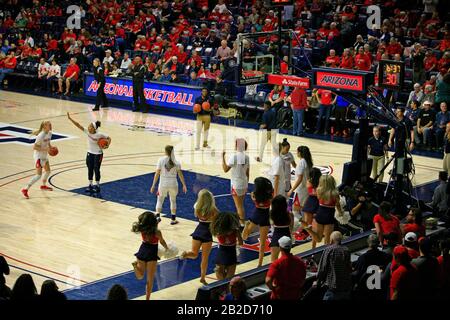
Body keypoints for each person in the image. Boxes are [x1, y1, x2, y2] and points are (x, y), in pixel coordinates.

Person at [181, 189, 218, 285]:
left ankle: (186, 253)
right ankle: (202, 277)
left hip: (198, 230)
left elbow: (198, 216)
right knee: (204, 258)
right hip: (207, 233)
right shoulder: (213, 210)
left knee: (194, 254)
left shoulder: (197, 207)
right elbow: (217, 220)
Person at [67, 113, 111, 193]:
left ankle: (97, 186)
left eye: (90, 126)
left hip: (98, 154)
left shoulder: (99, 134)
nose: (89, 127)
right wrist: (70, 119)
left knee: (96, 169)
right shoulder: (87, 132)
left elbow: (109, 138)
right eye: (89, 125)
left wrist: (107, 145)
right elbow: (78, 125)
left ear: (94, 128)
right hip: (90, 153)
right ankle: (90, 185)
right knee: (90, 168)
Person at [132, 211, 169, 300]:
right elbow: (162, 241)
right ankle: (147, 299)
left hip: (143, 250)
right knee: (150, 280)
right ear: (153, 223)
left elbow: (151, 224)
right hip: (152, 253)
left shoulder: (143, 229)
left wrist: (157, 221)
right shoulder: (157, 232)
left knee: (140, 276)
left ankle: (134, 266)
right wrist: (167, 248)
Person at [303, 175, 343, 248]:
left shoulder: (319, 191)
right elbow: (338, 205)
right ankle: (325, 254)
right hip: (329, 217)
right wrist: (341, 213)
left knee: (318, 238)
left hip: (320, 214)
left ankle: (310, 231)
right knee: (327, 241)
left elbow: (319, 199)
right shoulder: (335, 193)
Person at [150, 145, 187, 225]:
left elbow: (157, 173)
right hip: (173, 183)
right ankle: (173, 219)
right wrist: (184, 184)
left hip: (163, 183)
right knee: (173, 200)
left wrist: (153, 185)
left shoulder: (161, 160)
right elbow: (180, 174)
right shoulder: (177, 161)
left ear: (165, 151)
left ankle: (157, 216)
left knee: (159, 200)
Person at [243, 177, 273, 267]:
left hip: (256, 214)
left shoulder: (254, 194)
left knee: (245, 235)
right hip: (265, 216)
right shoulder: (270, 194)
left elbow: (254, 200)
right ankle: (260, 263)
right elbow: (271, 202)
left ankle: (245, 227)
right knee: (263, 243)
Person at [21, 121, 54, 199]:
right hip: (38, 156)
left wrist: (51, 147)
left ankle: (43, 185)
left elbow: (48, 142)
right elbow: (35, 147)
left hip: (44, 155)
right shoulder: (40, 135)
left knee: (48, 171)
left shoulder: (50, 133)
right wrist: (46, 149)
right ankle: (25, 189)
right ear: (44, 126)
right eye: (49, 124)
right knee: (38, 175)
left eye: (50, 124)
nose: (50, 125)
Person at [352, 234, 391, 299]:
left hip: (365, 291)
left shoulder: (363, 258)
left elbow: (358, 274)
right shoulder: (386, 256)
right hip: (382, 289)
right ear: (378, 243)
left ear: (368, 243)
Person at [315, 231, 352, 300]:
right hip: (345, 286)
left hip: (333, 289)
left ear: (331, 240)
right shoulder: (346, 250)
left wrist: (317, 281)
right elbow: (349, 267)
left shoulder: (328, 250)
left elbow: (322, 268)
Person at [222, 139, 249, 226]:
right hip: (244, 183)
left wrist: (222, 157)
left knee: (239, 206)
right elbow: (248, 173)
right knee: (241, 205)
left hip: (236, 184)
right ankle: (241, 222)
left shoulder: (234, 157)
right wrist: (246, 183)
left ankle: (242, 224)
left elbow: (225, 169)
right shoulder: (247, 157)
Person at [211, 211, 243, 280]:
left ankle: (221, 285)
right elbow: (241, 243)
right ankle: (227, 287)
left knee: (219, 271)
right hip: (232, 252)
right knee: (230, 276)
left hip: (222, 252)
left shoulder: (219, 232)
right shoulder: (235, 231)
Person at [288, 146, 313, 225]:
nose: (296, 153)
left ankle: (305, 226)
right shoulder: (308, 162)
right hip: (306, 189)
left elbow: (300, 179)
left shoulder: (301, 163)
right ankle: (306, 226)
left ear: (300, 153)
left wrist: (292, 189)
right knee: (302, 209)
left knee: (296, 210)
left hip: (301, 190)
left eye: (297, 152)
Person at [269, 195, 293, 261]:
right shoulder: (289, 214)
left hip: (276, 236)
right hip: (286, 236)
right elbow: (291, 228)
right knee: (286, 258)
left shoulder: (272, 213)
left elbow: (271, 224)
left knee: (273, 261)